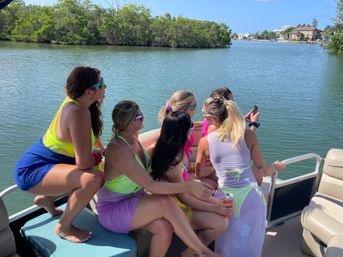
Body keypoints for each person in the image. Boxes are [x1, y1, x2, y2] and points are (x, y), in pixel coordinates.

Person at [96, 100, 221, 257]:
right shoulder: (118, 149)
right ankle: (203, 251)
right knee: (164, 202)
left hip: (135, 199)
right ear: (130, 122)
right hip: (113, 209)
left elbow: (166, 132)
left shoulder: (133, 139)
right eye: (140, 116)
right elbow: (150, 184)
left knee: (164, 228)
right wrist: (188, 186)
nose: (143, 118)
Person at [14, 66, 105, 243]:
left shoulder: (76, 102)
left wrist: (101, 150)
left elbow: (90, 137)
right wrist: (96, 158)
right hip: (33, 169)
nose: (105, 87)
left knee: (95, 170)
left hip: (50, 163)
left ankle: (47, 199)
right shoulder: (78, 111)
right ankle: (64, 227)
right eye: (102, 84)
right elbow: (84, 163)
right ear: (89, 91)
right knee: (94, 178)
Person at [196, 96, 287, 257]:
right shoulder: (248, 136)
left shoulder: (205, 142)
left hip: (225, 199)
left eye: (205, 116)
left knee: (225, 247)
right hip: (251, 197)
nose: (204, 119)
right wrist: (277, 167)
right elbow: (264, 170)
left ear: (214, 118)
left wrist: (217, 166)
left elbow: (199, 173)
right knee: (251, 246)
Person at [150, 111, 231, 257]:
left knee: (221, 214)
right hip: (176, 207)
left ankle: (190, 252)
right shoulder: (173, 160)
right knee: (221, 224)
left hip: (179, 198)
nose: (193, 129)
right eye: (191, 126)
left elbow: (184, 182)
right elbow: (183, 198)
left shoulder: (172, 149)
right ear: (183, 132)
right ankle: (190, 253)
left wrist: (214, 203)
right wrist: (213, 207)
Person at [198, 87, 262, 187]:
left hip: (218, 165)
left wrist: (242, 119)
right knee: (258, 176)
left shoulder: (209, 120)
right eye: (232, 101)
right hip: (217, 169)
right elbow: (242, 144)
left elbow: (226, 125)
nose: (233, 104)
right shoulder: (214, 128)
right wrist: (253, 124)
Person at [159, 90, 198, 169]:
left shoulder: (186, 124)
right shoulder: (174, 132)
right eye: (193, 107)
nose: (195, 110)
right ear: (182, 110)